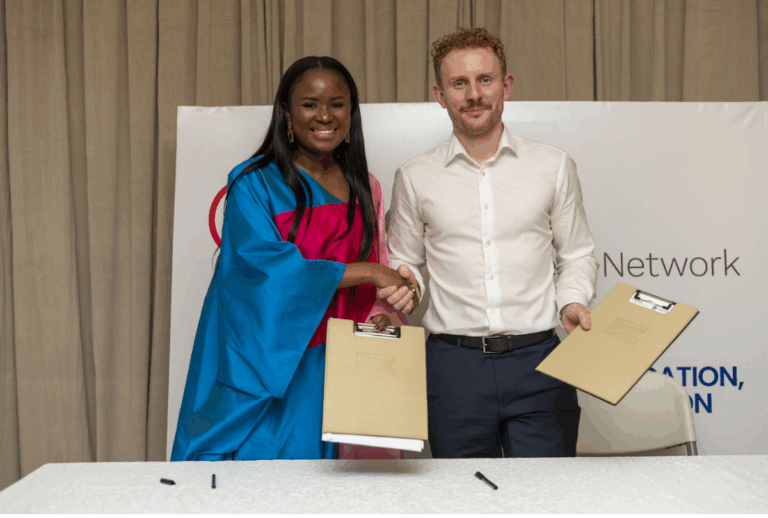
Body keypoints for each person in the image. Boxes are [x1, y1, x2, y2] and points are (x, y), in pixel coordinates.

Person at [172, 56, 407, 461]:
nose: (325, 116)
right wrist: (369, 272)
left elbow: (373, 285)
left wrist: (379, 314)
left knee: (333, 482)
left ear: (351, 112)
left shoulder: (365, 188)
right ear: (287, 113)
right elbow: (267, 274)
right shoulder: (252, 183)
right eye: (310, 104)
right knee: (259, 479)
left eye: (337, 104)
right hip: (268, 365)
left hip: (338, 363)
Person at [380, 28, 599, 458]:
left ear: (506, 85)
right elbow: (405, 261)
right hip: (452, 368)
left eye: (485, 80)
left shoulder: (553, 166)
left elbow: (577, 254)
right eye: (459, 83)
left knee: (545, 493)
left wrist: (572, 301)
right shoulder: (414, 176)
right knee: (463, 494)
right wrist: (406, 286)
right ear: (440, 95)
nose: (474, 94)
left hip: (541, 362)